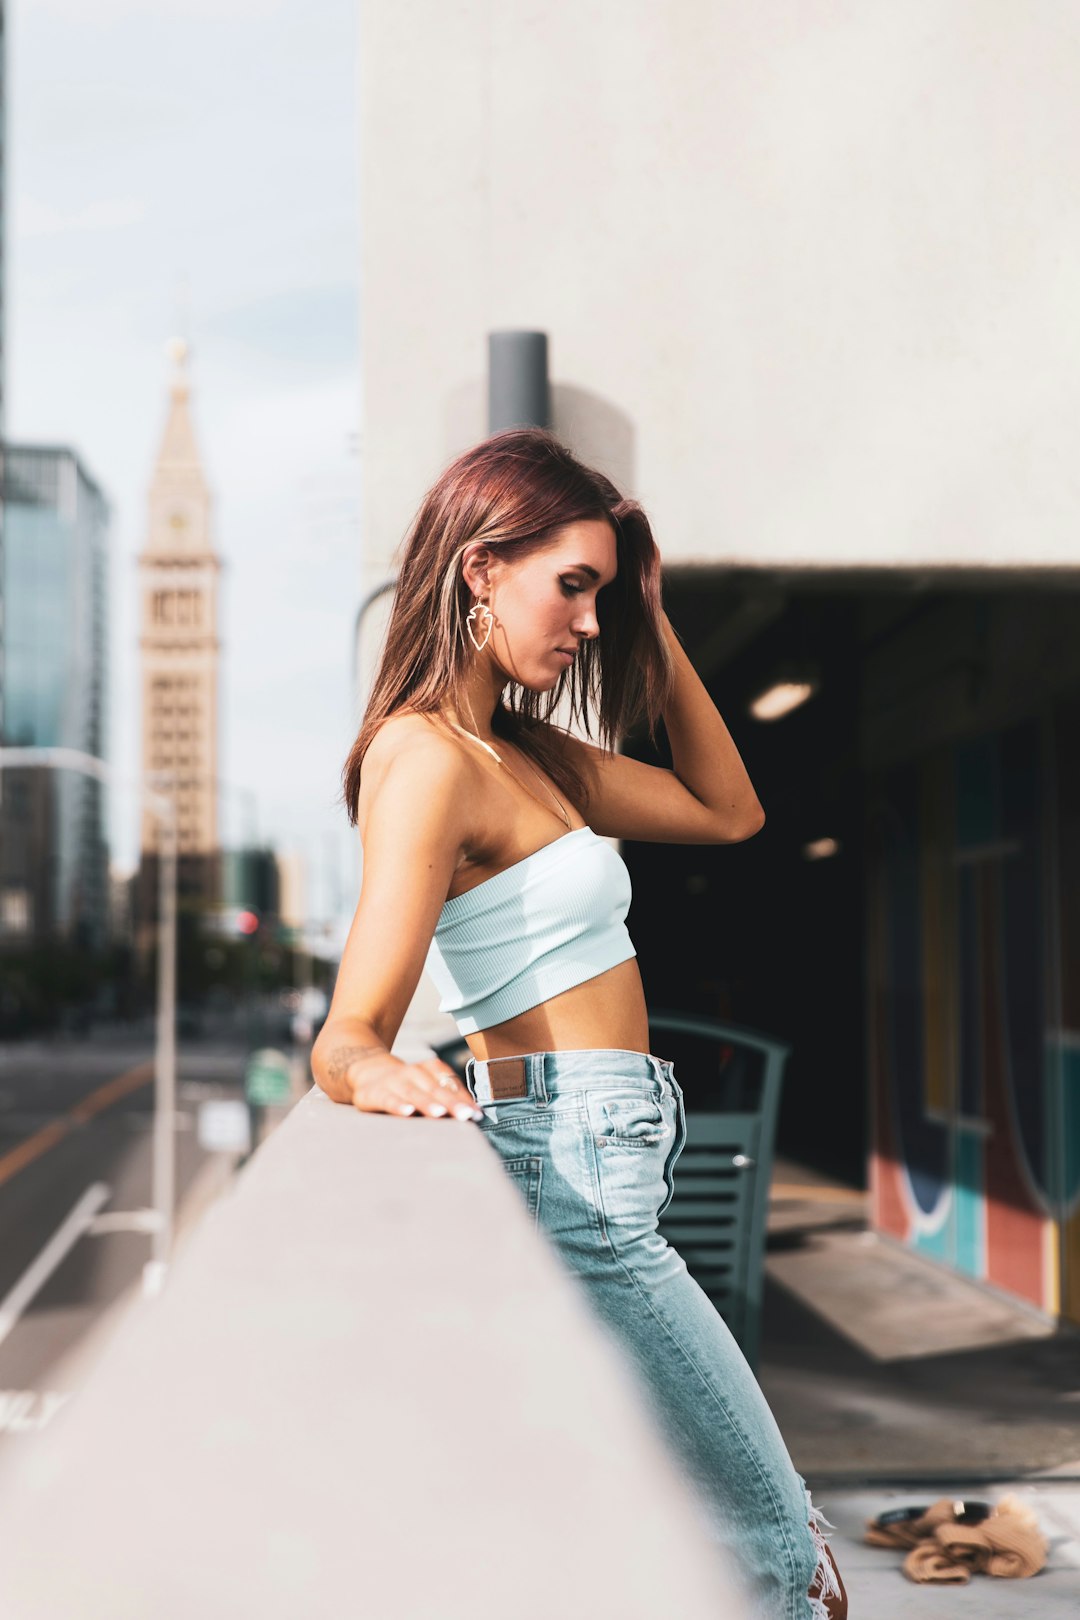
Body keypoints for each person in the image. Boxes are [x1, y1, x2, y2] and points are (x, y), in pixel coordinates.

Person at [311, 427, 847, 1620]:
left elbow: (729, 810)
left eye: (600, 595)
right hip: (571, 1174)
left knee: (696, 1538)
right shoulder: (425, 759)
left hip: (610, 1161)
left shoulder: (526, 752)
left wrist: (645, 611)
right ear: (478, 570)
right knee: (778, 1553)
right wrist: (375, 1069)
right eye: (573, 586)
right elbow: (350, 1030)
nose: (588, 622)